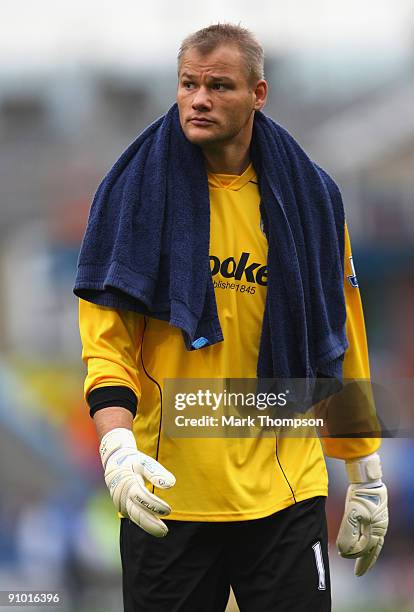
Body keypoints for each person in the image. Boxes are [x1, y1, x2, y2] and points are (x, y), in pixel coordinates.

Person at [74, 23, 389, 612]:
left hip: (286, 489)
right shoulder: (131, 198)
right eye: (188, 84)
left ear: (258, 94)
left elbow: (341, 335)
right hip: (168, 494)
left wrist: (364, 470)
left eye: (219, 86)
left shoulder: (314, 201)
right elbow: (106, 344)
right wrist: (116, 448)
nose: (198, 99)